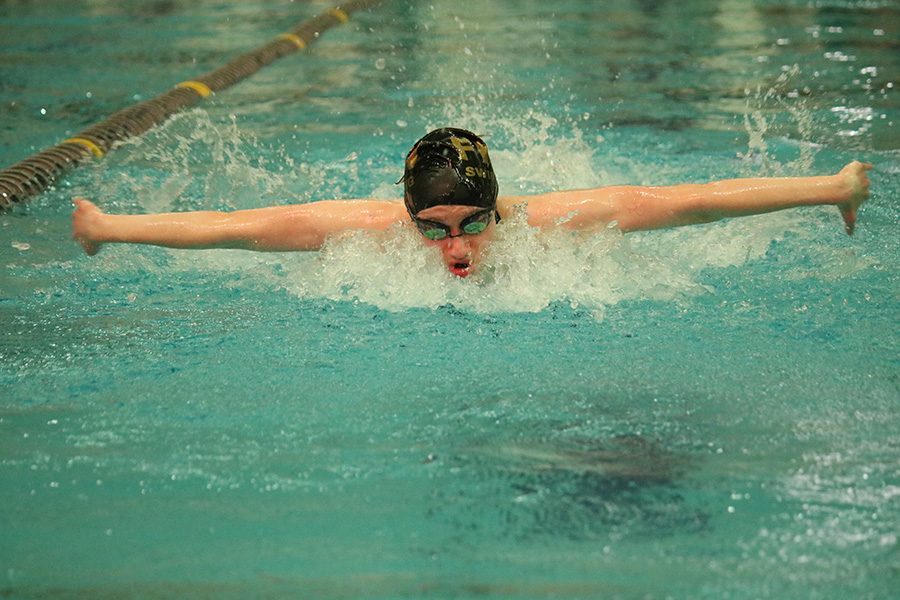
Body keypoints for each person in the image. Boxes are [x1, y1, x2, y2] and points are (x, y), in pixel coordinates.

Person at [72, 127, 872, 278]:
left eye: (475, 225)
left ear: (501, 210)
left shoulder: (555, 220)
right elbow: (232, 231)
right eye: (435, 232)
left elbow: (693, 204)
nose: (457, 251)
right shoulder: (369, 232)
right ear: (407, 217)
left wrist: (834, 188)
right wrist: (110, 228)